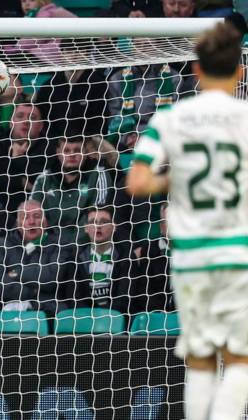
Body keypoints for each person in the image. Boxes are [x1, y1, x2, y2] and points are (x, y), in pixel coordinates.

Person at [125, 22, 248, 420]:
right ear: (240, 72)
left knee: (199, 360)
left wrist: (175, 176)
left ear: (195, 70)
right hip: (236, 255)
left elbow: (137, 180)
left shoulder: (170, 117)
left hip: (190, 257)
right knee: (238, 358)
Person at [0, 200, 75, 316]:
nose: (31, 222)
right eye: (25, 217)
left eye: (36, 217)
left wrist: (15, 272)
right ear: (18, 224)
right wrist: (31, 291)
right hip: (3, 309)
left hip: (48, 311)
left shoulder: (61, 245)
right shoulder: (1, 244)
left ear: (45, 223)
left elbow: (51, 278)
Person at [30, 134, 113, 244]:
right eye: (67, 150)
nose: (72, 154)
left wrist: (69, 246)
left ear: (85, 152)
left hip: (85, 247)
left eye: (77, 150)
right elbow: (31, 216)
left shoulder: (99, 175)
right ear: (58, 152)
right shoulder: (44, 179)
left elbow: (98, 218)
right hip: (49, 247)